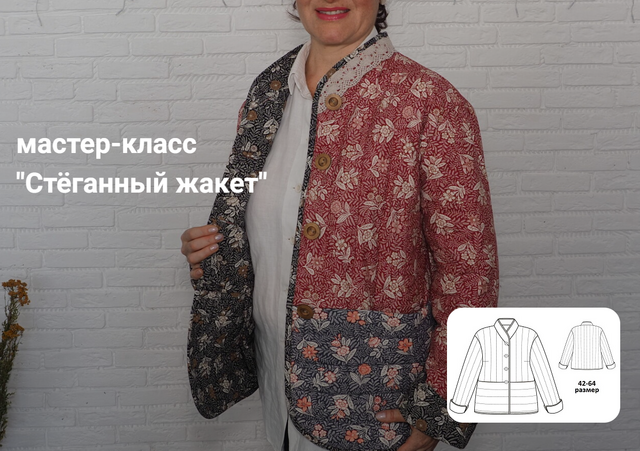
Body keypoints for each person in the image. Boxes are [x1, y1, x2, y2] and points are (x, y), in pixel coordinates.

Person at [181, 1, 499, 450]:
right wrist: (217, 252)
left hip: (377, 402)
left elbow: (471, 275)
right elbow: (276, 232)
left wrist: (441, 406)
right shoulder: (268, 93)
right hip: (279, 388)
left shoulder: (432, 104)